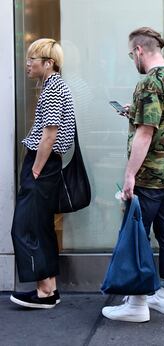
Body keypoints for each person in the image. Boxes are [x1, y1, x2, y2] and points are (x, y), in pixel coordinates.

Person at [102, 27, 164, 323]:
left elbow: (146, 132)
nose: (132, 59)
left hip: (150, 176)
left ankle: (137, 304)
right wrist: (135, 112)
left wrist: (130, 175)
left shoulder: (149, 83)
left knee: (135, 236)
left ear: (140, 50)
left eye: (132, 54)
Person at [10, 39, 75, 309]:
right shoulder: (54, 86)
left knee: (25, 227)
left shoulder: (52, 90)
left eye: (32, 59)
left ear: (48, 63)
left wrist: (35, 169)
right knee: (41, 226)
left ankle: (44, 290)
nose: (27, 64)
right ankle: (49, 289)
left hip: (43, 165)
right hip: (48, 165)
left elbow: (50, 134)